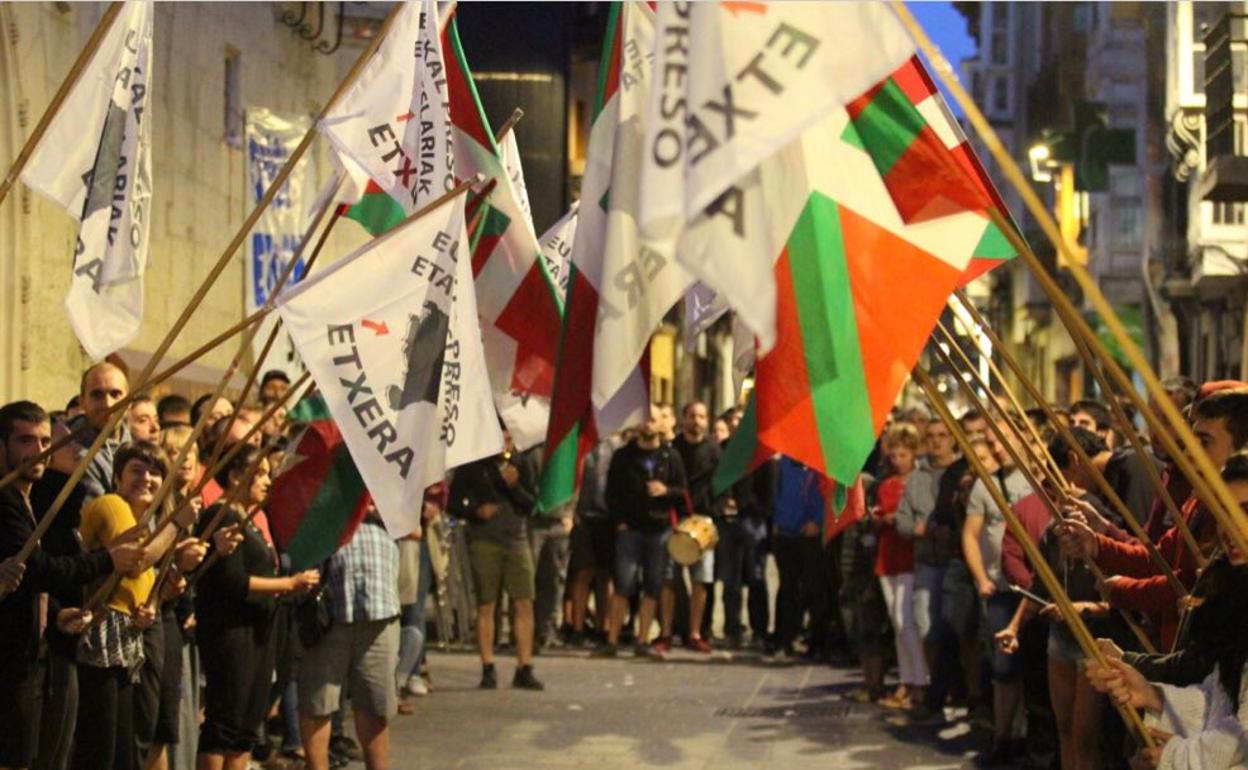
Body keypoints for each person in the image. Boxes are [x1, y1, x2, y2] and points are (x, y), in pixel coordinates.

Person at [0, 402, 144, 770]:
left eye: (45, 439)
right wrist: (107, 559)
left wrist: (56, 613)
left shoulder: (25, 498)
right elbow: (39, 568)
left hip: (30, 655)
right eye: (25, 441)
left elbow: (29, 581)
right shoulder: (4, 500)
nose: (39, 451)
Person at [1084, 453, 1248, 770]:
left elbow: (1242, 733)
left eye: (1244, 512)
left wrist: (1178, 757)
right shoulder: (1235, 590)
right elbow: (1223, 701)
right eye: (1223, 512)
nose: (1229, 526)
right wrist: (1152, 694)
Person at [71, 441, 197, 770]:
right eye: (136, 471)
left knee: (128, 741)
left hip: (128, 638)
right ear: (116, 478)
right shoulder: (112, 504)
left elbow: (140, 584)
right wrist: (177, 523)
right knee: (102, 746)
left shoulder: (148, 521)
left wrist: (158, 598)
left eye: (155, 472)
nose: (146, 478)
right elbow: (135, 561)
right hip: (102, 638)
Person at [195, 446, 316, 770]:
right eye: (259, 473)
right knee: (225, 720)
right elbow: (234, 581)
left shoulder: (250, 519)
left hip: (260, 630)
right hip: (231, 632)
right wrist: (288, 584)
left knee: (247, 725)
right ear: (235, 475)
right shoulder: (223, 516)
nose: (267, 480)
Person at [298, 509, 401, 770]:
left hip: (379, 604)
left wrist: (374, 508)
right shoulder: (327, 476)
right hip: (331, 606)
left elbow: (414, 527)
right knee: (318, 702)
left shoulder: (388, 479)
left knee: (375, 702)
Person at [961, 416, 1033, 765]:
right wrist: (981, 578)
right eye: (992, 443)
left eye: (1003, 440)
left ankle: (1025, 731)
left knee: (1032, 664)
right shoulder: (984, 486)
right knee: (1004, 663)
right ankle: (1003, 734)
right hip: (1002, 586)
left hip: (1033, 587)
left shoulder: (1037, 480)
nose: (997, 448)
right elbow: (971, 534)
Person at [448, 436, 543, 691]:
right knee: (487, 604)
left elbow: (533, 504)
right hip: (485, 540)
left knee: (524, 602)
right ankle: (488, 666)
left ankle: (524, 666)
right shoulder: (474, 464)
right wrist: (475, 511)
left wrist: (514, 486)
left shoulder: (522, 463)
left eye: (511, 438)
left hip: (517, 539)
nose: (506, 443)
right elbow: (453, 502)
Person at [596, 405, 687, 657]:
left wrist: (665, 491)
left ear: (661, 425)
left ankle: (642, 639)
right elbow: (611, 492)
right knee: (623, 584)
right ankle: (612, 640)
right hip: (630, 530)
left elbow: (682, 491)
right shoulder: (623, 456)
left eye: (653, 420)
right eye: (644, 420)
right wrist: (619, 521)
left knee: (653, 586)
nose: (648, 425)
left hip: (659, 532)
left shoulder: (671, 456)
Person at [873, 423, 928, 709]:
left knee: (906, 620)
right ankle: (906, 679)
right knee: (897, 623)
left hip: (910, 554)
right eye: (893, 455)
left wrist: (900, 519)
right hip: (889, 553)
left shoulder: (921, 480)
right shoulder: (887, 484)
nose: (897, 461)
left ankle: (919, 680)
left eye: (903, 455)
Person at [661, 402, 720, 654]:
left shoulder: (715, 451)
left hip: (703, 523)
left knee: (701, 582)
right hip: (675, 521)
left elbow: (721, 485)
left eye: (701, 416)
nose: (696, 420)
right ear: (683, 419)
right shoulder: (672, 449)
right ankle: (666, 632)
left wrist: (713, 515)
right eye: (692, 416)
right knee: (669, 581)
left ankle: (695, 632)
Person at [770, 455, 828, 659]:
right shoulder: (784, 463)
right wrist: (777, 520)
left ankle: (818, 642)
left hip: (810, 532)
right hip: (785, 531)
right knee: (787, 587)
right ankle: (783, 640)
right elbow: (777, 492)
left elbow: (826, 493)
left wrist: (817, 520)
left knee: (814, 588)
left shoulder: (821, 461)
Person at [567, 435, 621, 646]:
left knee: (605, 575)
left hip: (609, 518)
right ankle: (578, 627)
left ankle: (603, 626)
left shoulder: (616, 447)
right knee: (582, 572)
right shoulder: (580, 445)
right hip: (583, 517)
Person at [72, 362, 131, 502]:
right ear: (82, 403)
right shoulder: (65, 448)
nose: (107, 404)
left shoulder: (140, 450)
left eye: (115, 394)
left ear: (129, 403)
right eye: (97, 395)